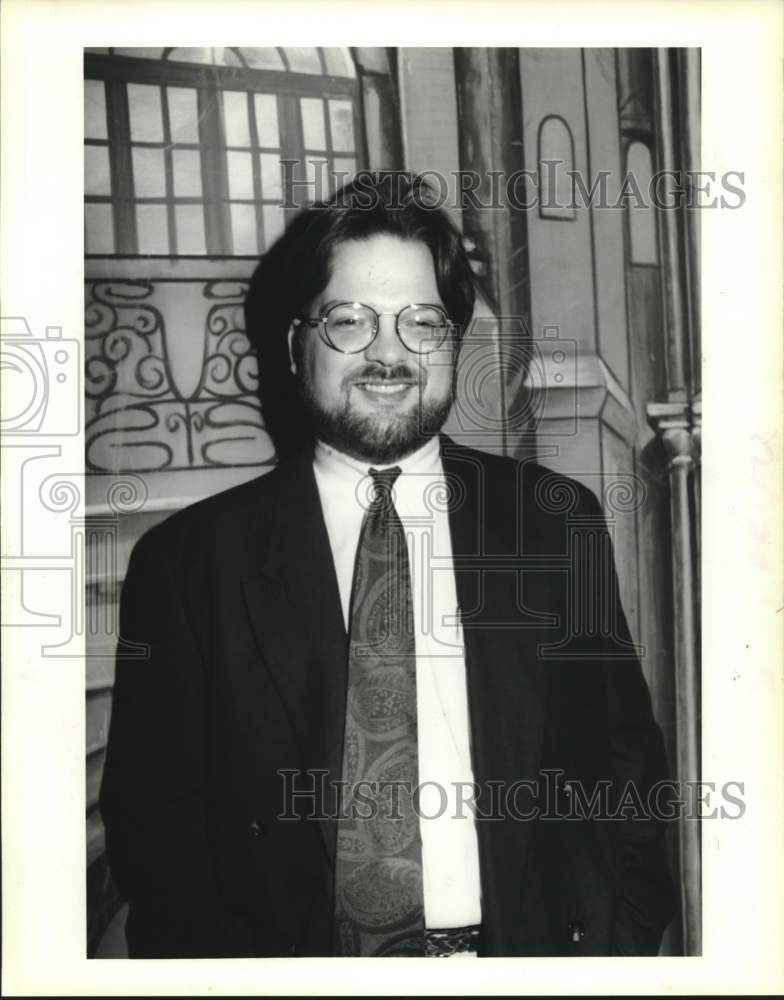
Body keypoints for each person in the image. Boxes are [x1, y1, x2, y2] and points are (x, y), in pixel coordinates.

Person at [99, 172, 676, 958]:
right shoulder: (187, 567)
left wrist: (616, 949)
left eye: (421, 324)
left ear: (453, 344)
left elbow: (625, 772)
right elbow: (156, 840)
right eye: (350, 321)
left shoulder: (553, 523)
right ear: (297, 342)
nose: (388, 354)